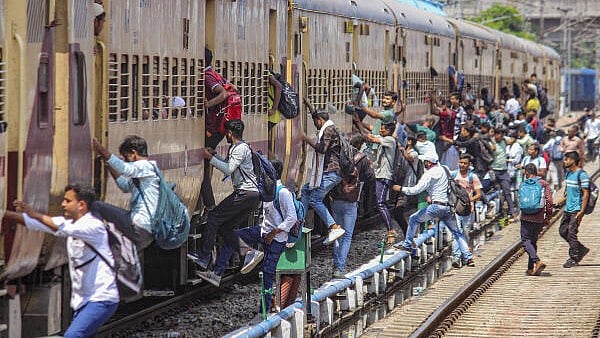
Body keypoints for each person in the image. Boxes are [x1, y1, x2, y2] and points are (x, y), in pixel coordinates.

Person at [3, 184, 119, 338]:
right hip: (83, 301)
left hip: (101, 298)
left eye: (67, 201)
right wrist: (4, 213)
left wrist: (34, 214)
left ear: (81, 205)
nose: (62, 204)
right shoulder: (71, 223)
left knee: (72, 335)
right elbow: (33, 223)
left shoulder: (94, 226)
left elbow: (60, 227)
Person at [197, 159, 293, 308]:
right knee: (233, 237)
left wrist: (274, 233)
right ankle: (218, 272)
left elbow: (291, 218)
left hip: (276, 239)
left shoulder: (283, 193)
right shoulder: (268, 191)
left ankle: (265, 310)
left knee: (268, 273)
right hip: (263, 231)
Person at [188, 119, 261, 274]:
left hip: (245, 193)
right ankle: (249, 252)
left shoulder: (238, 148)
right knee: (225, 228)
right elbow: (231, 167)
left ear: (229, 133)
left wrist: (209, 158)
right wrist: (215, 157)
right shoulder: (242, 147)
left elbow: (228, 170)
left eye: (225, 134)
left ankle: (204, 257)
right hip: (251, 196)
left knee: (213, 217)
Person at [391, 152, 474, 266]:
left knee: (413, 218)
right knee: (457, 233)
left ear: (429, 163)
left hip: (436, 206)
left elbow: (416, 190)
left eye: (424, 161)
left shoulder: (429, 174)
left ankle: (407, 245)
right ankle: (468, 257)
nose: (423, 163)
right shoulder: (444, 169)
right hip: (448, 207)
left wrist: (401, 188)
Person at [91, 136, 157, 249]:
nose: (126, 161)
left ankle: (94, 240)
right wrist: (110, 167)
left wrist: (100, 148)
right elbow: (125, 186)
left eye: (126, 157)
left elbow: (125, 169)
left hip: (139, 224)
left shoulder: (145, 166)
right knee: (118, 252)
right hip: (146, 234)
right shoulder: (145, 173)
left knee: (96, 205)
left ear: (134, 153)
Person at [201, 47, 240, 222]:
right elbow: (233, 88)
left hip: (214, 127)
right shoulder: (216, 74)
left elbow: (224, 93)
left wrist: (208, 104)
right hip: (219, 127)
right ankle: (208, 206)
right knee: (205, 164)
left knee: (202, 165)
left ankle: (210, 207)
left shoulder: (208, 77)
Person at [330, 135, 374, 278]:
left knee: (336, 233)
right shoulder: (362, 159)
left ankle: (336, 264)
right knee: (347, 235)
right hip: (351, 201)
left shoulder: (340, 156)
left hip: (336, 199)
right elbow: (370, 178)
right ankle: (340, 268)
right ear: (361, 145)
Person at [300, 111, 345, 244]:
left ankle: (334, 227)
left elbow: (322, 149)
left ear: (319, 120)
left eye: (315, 123)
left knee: (314, 199)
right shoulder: (330, 128)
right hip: (329, 173)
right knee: (306, 190)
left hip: (331, 172)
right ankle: (299, 222)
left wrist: (305, 138)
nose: (316, 126)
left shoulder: (328, 130)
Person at [366, 122, 400, 246]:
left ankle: (391, 230)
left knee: (380, 203)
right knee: (380, 202)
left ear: (388, 131)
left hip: (385, 176)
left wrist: (365, 132)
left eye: (382, 129)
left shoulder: (389, 140)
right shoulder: (386, 139)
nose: (380, 130)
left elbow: (373, 138)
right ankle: (390, 229)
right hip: (381, 175)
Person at [555, 151, 591, 268]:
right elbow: (567, 192)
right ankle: (580, 249)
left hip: (576, 209)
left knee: (571, 233)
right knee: (562, 231)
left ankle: (574, 257)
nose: (564, 161)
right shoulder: (568, 174)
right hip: (567, 209)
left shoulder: (582, 175)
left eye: (566, 159)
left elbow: (586, 193)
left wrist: (581, 211)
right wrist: (559, 202)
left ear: (572, 160)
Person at [519, 163, 552, 276]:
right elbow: (549, 202)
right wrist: (548, 216)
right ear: (536, 172)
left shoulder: (523, 184)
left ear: (527, 173)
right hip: (538, 218)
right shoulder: (544, 184)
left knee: (525, 241)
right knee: (532, 242)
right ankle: (530, 268)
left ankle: (537, 261)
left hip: (525, 217)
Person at [451, 154, 482, 268]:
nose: (462, 165)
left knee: (465, 232)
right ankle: (457, 256)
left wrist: (468, 200)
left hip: (468, 209)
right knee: (457, 232)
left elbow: (478, 194)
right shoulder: (453, 175)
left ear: (469, 165)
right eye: (461, 162)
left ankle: (465, 256)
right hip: (455, 209)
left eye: (465, 163)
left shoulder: (472, 177)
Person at [489, 127, 518, 221]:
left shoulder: (504, 141)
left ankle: (512, 212)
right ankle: (499, 211)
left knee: (507, 191)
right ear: (495, 134)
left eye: (502, 135)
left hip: (504, 171)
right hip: (494, 170)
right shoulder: (491, 143)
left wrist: (505, 137)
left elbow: (512, 140)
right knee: (495, 192)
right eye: (499, 135)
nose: (500, 137)